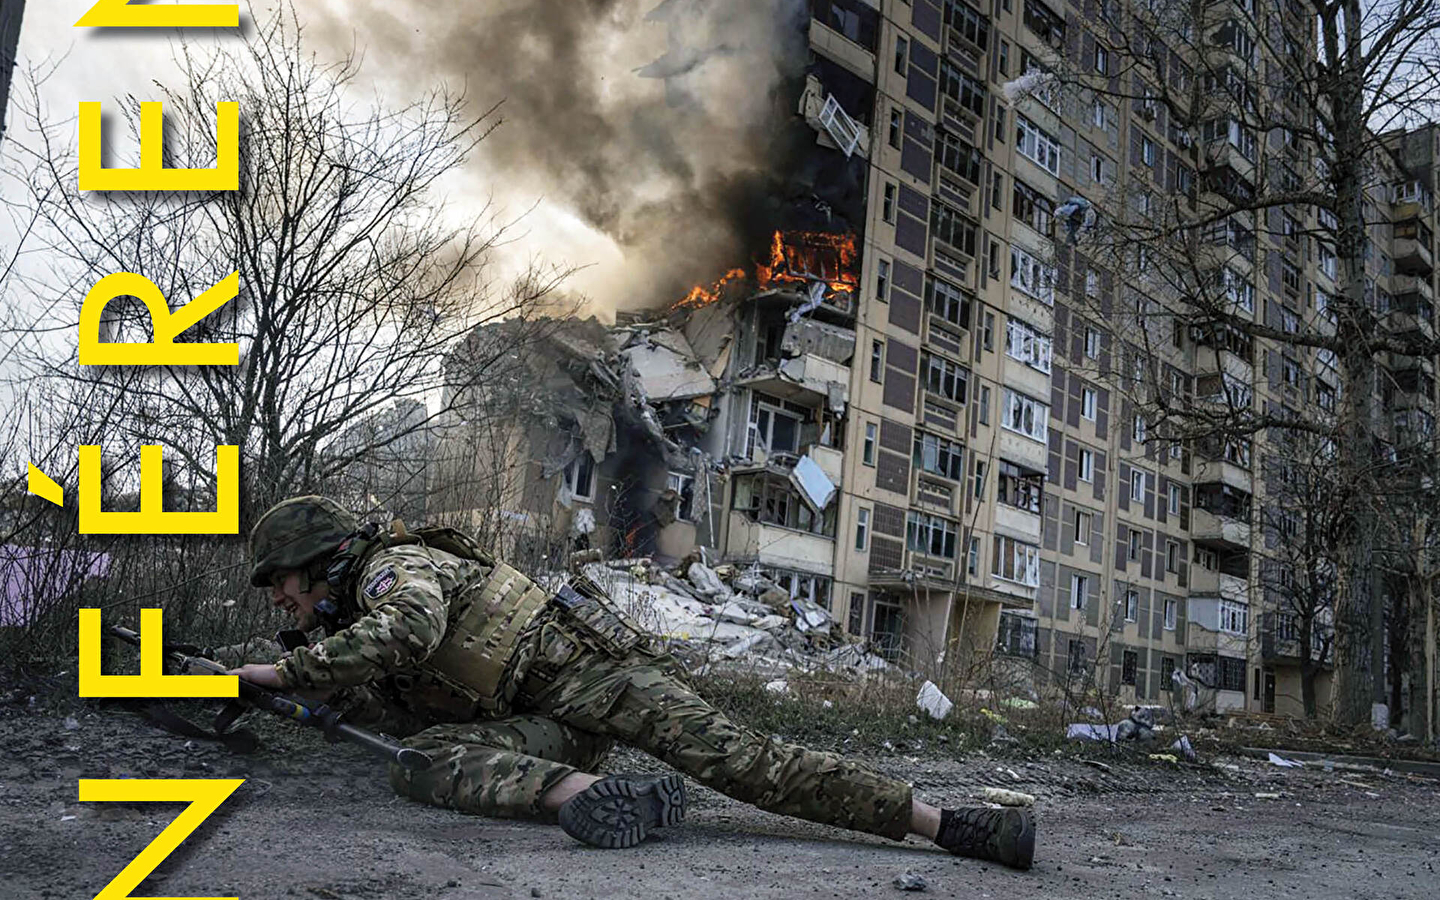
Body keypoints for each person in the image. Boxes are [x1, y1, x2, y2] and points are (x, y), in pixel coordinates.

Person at [225, 496, 1036, 867]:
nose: (279, 599)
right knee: (419, 759)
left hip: (601, 680)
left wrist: (283, 668)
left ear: (319, 560)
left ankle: (951, 825)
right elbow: (397, 702)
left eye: (281, 581)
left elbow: (411, 628)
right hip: (549, 730)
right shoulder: (348, 615)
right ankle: (587, 796)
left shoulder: (389, 571)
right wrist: (291, 693)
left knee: (748, 764)